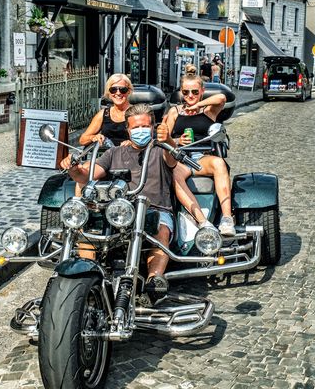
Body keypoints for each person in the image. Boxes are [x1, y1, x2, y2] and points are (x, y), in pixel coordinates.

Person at [61, 103, 178, 303]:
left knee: (161, 230)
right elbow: (87, 177)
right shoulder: (114, 153)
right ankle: (85, 280)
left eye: (144, 126)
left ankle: (154, 279)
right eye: (135, 127)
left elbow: (172, 157)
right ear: (128, 130)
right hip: (117, 211)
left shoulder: (160, 150)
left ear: (153, 127)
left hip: (154, 208)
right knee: (87, 230)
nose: (140, 130)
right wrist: (72, 168)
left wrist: (167, 139)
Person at [164, 73, 235, 237]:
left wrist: (198, 105)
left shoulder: (209, 110)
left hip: (202, 157)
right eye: (186, 92)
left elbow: (221, 98)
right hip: (181, 158)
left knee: (219, 163)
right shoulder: (175, 112)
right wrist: (177, 140)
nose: (190, 96)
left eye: (195, 92)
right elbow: (164, 137)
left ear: (202, 91)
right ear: (181, 92)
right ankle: (202, 221)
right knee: (173, 173)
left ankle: (226, 218)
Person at [79, 74, 133, 147]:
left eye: (123, 89)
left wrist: (132, 144)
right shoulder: (103, 114)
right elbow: (82, 139)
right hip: (106, 156)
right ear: (109, 93)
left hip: (129, 155)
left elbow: (147, 140)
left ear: (129, 91)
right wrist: (94, 137)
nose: (118, 93)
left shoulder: (137, 113)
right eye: (113, 90)